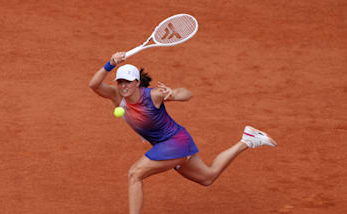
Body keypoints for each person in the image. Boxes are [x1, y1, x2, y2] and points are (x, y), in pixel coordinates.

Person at [89, 52, 277, 214]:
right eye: (120, 82)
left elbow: (187, 93)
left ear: (137, 82)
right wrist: (110, 64)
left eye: (127, 82)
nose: (123, 86)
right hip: (170, 145)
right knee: (207, 177)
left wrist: (174, 94)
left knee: (134, 174)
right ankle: (247, 140)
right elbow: (94, 85)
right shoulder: (117, 96)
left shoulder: (152, 95)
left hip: (175, 142)